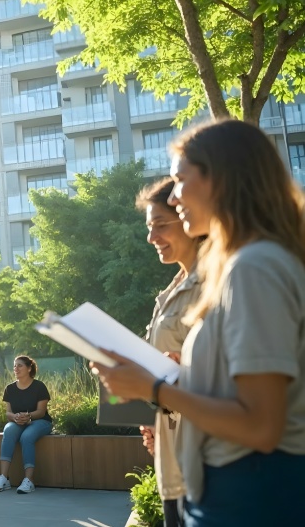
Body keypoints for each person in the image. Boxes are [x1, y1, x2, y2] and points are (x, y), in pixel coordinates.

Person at [93, 119, 305, 525]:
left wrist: (152, 386)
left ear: (220, 180)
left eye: (179, 181)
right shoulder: (257, 263)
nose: (173, 197)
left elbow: (261, 424)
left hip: (250, 493)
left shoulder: (253, 267)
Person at [134, 177, 204, 526]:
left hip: (204, 466)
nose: (152, 237)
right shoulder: (171, 289)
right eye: (149, 227)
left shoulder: (216, 282)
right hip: (172, 460)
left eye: (160, 224)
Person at [0, 355, 52, 494]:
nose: (16, 368)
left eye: (20, 365)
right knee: (9, 431)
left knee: (27, 436)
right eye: (14, 366)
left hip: (40, 421)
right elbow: (8, 413)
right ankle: (4, 478)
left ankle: (29, 481)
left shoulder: (39, 386)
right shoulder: (10, 388)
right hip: (17, 421)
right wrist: (16, 417)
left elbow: (41, 412)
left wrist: (28, 416)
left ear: (29, 368)